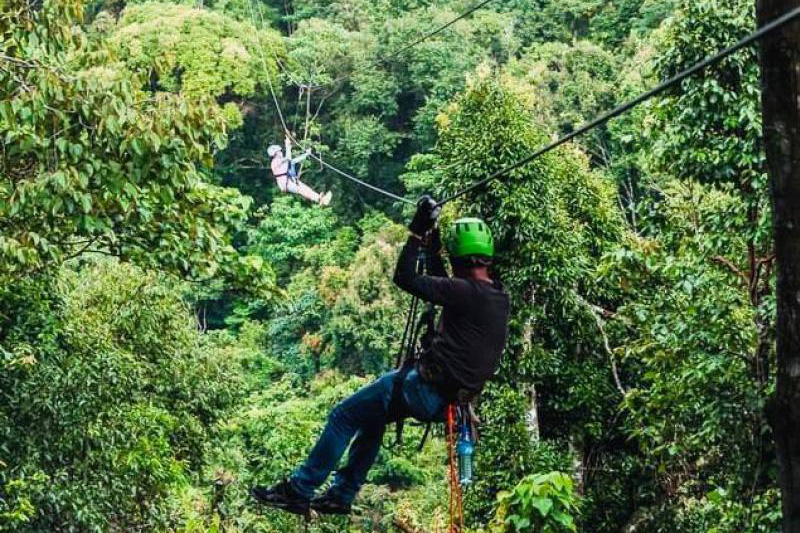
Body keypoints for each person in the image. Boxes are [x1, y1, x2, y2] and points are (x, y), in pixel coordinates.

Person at [250, 197, 511, 516]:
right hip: (445, 400)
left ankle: (299, 489)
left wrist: (417, 235)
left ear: (457, 259)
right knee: (371, 418)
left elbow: (406, 278)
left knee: (344, 415)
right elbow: (446, 286)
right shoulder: (496, 294)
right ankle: (341, 495)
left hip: (422, 388)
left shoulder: (464, 292)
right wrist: (432, 246)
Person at [269, 136, 332, 206]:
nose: (281, 152)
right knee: (301, 190)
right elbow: (288, 158)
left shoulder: (282, 161)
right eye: (279, 151)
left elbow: (294, 160)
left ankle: (320, 199)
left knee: (306, 189)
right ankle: (319, 199)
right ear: (275, 154)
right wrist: (287, 145)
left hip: (292, 181)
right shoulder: (275, 162)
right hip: (287, 184)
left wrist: (306, 154)